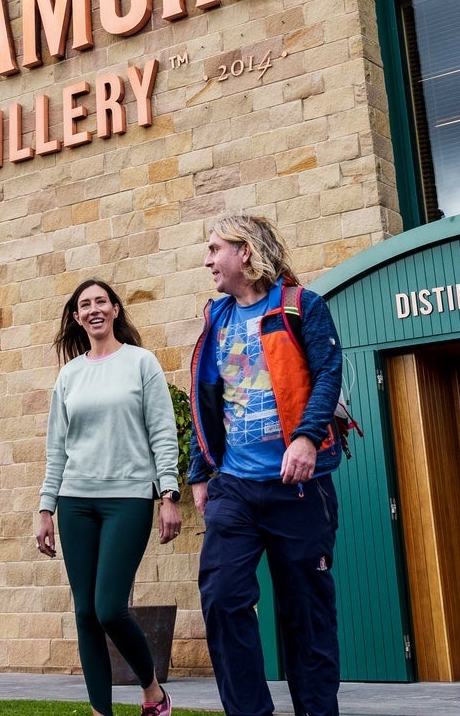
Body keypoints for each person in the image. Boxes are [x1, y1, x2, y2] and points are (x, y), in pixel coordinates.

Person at [188, 214, 345, 716]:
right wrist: (199, 470)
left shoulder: (302, 306)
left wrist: (304, 438)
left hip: (299, 487)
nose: (208, 259)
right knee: (222, 599)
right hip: (235, 485)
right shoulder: (215, 318)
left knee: (306, 615)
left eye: (215, 249)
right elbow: (205, 398)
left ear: (246, 253)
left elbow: (328, 374)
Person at [35, 279, 184, 716]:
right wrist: (46, 508)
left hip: (128, 500)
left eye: (101, 301)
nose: (94, 309)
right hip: (75, 502)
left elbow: (162, 431)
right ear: (78, 317)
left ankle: (153, 690)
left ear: (116, 310)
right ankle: (101, 711)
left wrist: (168, 494)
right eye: (85, 304)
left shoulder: (142, 363)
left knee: (109, 608)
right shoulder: (69, 374)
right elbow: (56, 447)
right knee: (85, 614)